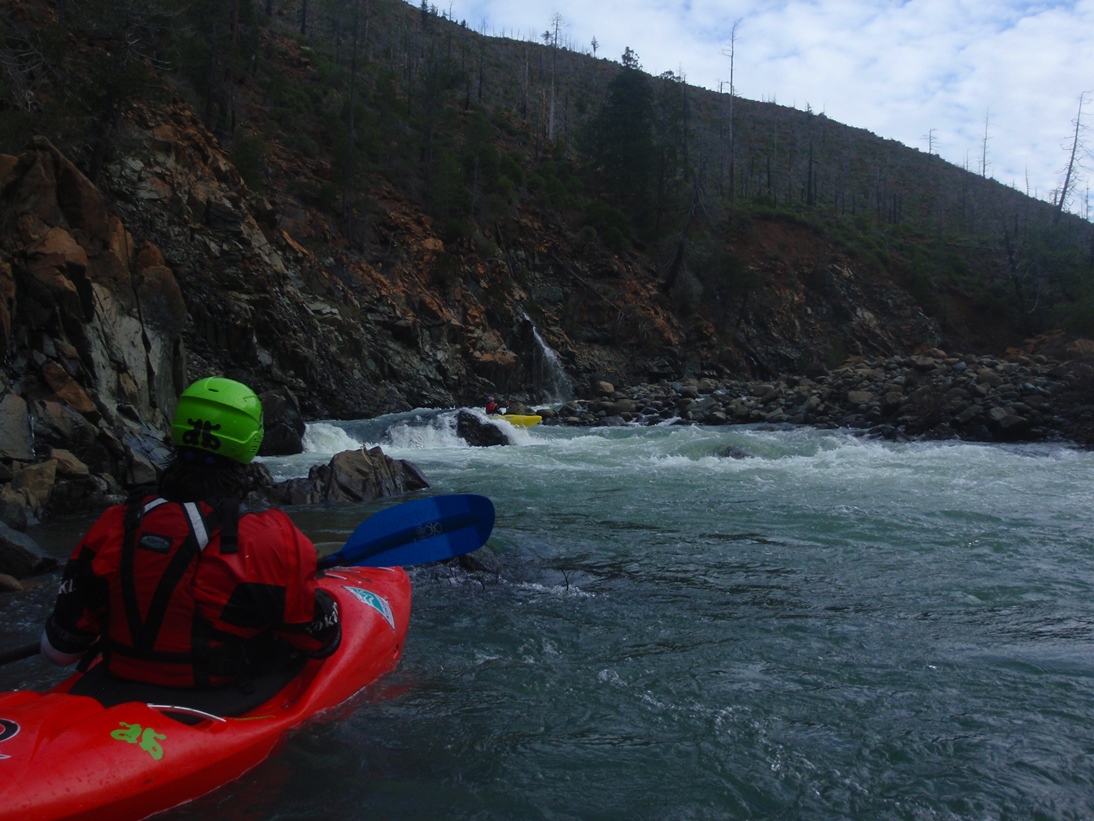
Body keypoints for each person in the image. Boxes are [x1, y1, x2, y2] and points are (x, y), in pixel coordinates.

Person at [40, 377, 341, 693]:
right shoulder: (265, 538)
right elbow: (321, 641)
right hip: (212, 698)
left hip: (114, 689)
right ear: (251, 444)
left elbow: (59, 651)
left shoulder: (116, 523)